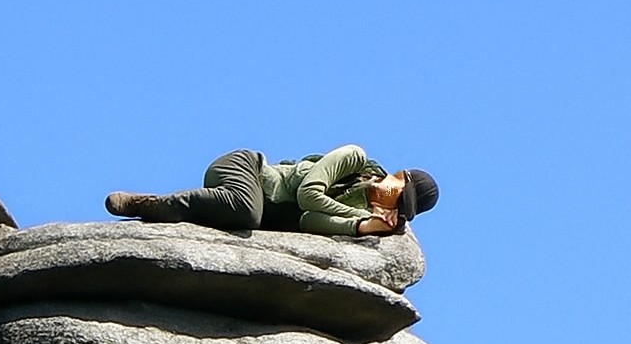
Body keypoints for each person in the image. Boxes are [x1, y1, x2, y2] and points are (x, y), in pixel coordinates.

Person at [105, 145, 439, 237]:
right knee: (248, 213)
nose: (393, 202)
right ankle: (155, 204)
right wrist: (355, 214)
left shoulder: (364, 216)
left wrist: (362, 227)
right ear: (397, 177)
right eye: (400, 194)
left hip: (250, 213)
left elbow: (309, 221)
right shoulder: (354, 158)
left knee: (247, 219)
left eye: (401, 206)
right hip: (243, 169)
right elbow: (309, 194)